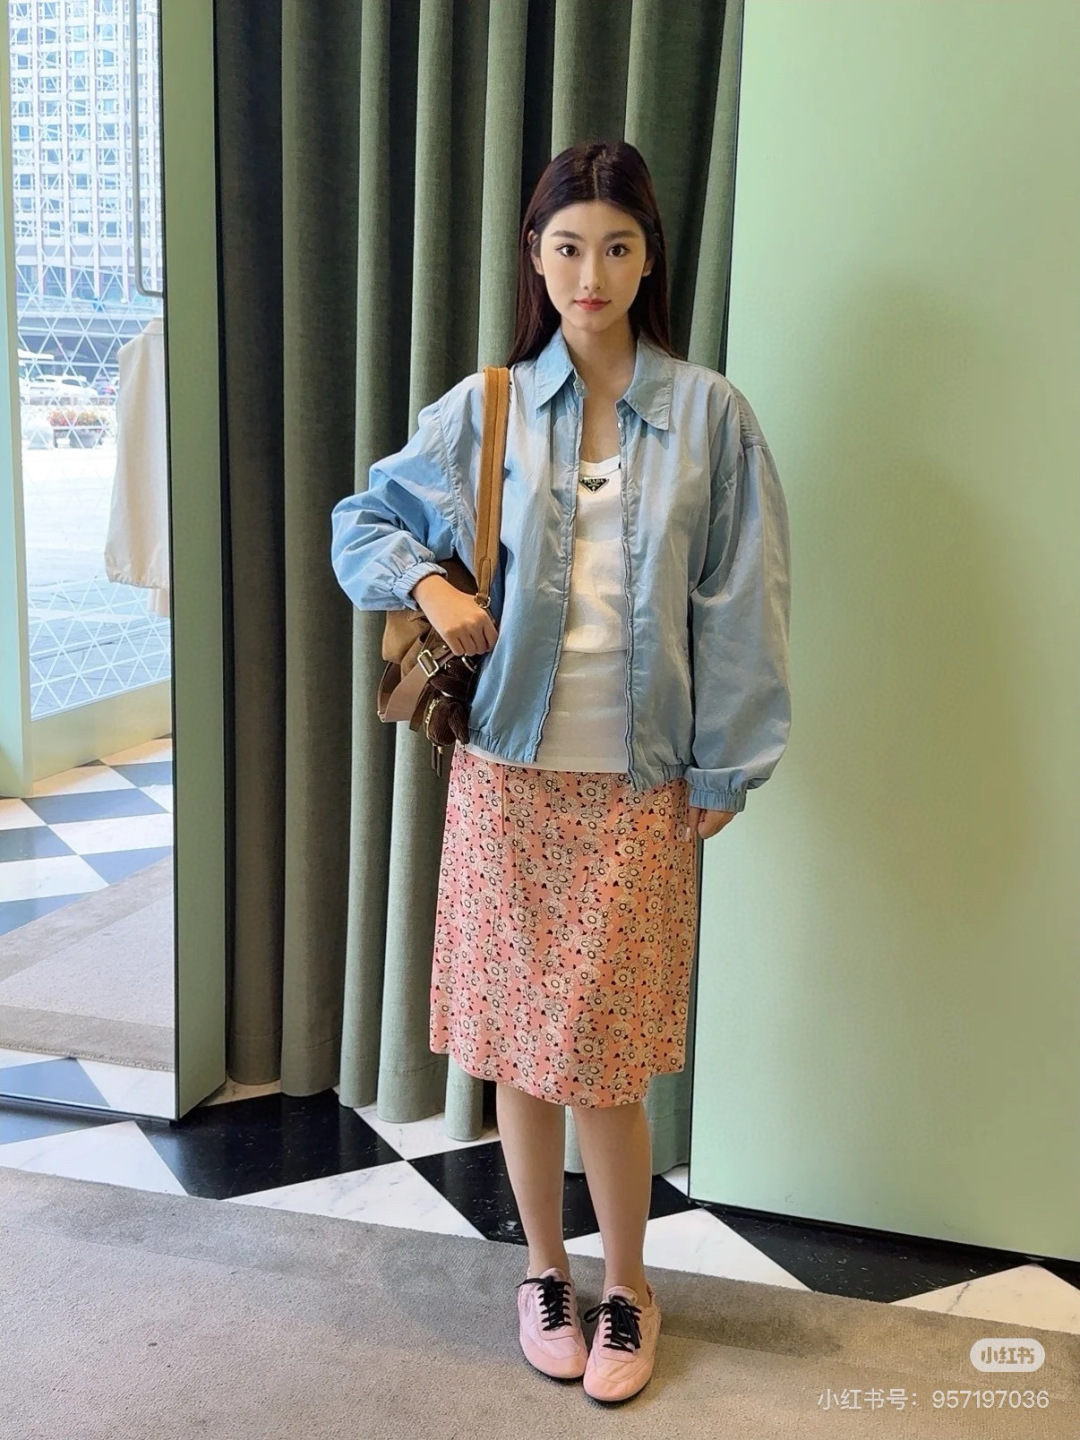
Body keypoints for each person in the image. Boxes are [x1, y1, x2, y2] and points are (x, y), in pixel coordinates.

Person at [330, 139, 792, 1404]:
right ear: (536, 257)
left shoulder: (710, 415)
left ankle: (629, 1286)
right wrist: (431, 585)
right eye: (570, 246)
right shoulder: (485, 409)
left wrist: (725, 766)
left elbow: (743, 601)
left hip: (639, 786)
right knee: (518, 1049)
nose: (593, 273)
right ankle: (544, 1271)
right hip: (507, 778)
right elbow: (362, 521)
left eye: (618, 247)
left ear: (649, 260)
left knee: (605, 1057)